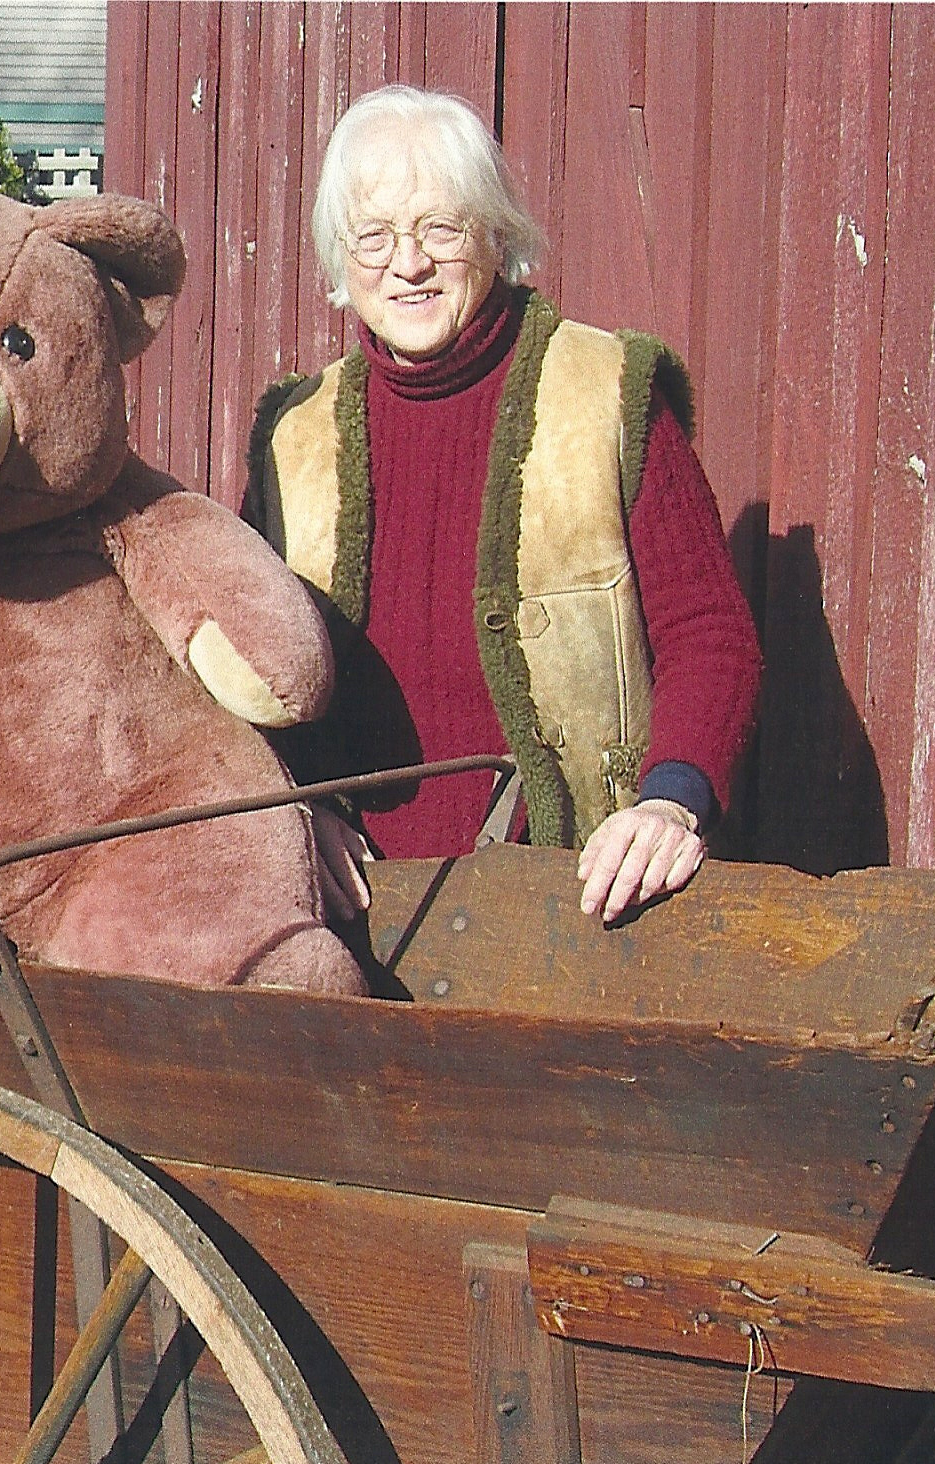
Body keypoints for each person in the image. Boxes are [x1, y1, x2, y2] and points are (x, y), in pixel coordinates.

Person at [243, 84, 761, 923]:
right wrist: (299, 810)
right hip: (357, 895)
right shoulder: (292, 434)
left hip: (577, 893)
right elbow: (249, 667)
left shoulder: (609, 394)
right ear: (341, 260)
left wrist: (671, 802)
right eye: (374, 238)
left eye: (439, 230)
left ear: (493, 234)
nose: (407, 265)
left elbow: (710, 637)